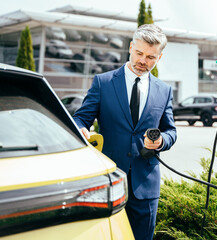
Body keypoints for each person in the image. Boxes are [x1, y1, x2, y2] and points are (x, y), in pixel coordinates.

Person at [73, 24, 177, 240]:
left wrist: (160, 142)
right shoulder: (103, 83)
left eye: (151, 57)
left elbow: (170, 131)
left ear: (160, 57)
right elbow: (80, 118)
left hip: (146, 187)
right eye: (139, 53)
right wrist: (81, 127)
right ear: (131, 47)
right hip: (108, 181)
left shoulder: (164, 91)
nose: (143, 61)